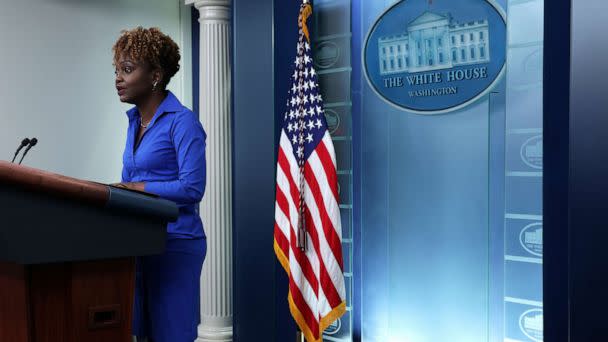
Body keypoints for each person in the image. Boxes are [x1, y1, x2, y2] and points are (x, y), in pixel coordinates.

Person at [112, 26, 207, 342]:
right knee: (143, 333)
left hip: (176, 243)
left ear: (155, 75)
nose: (118, 78)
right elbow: (129, 180)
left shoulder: (183, 122)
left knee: (171, 335)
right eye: (117, 70)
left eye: (127, 69)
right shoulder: (133, 122)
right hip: (139, 242)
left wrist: (139, 189)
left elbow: (193, 188)